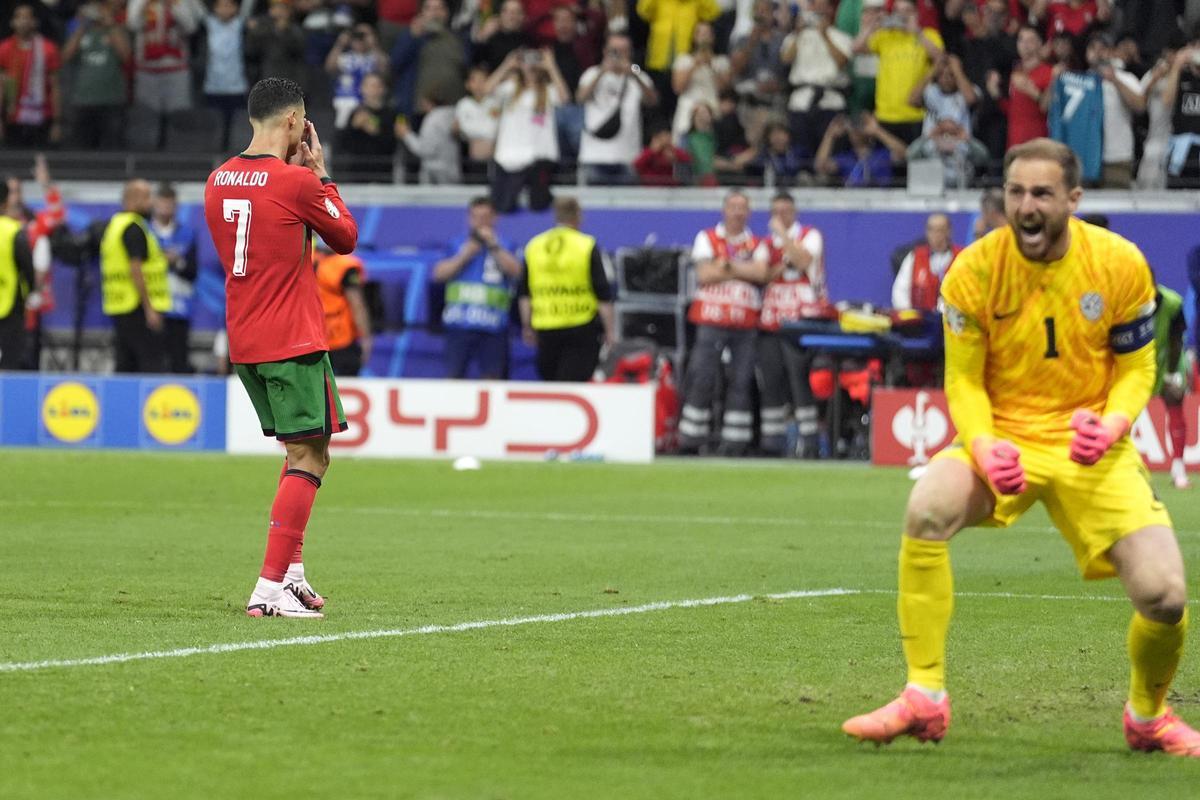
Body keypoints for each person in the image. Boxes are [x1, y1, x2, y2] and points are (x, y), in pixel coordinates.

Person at [843, 138, 1200, 759]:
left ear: (1073, 199)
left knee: (1165, 597)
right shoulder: (973, 270)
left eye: (1041, 193)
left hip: (1092, 444)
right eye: (1015, 193)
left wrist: (1115, 425)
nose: (1027, 207)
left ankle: (1147, 717)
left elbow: (1139, 367)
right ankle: (924, 695)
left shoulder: (1119, 263)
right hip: (1004, 432)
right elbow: (962, 379)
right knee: (928, 508)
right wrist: (982, 443)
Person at [203, 77, 359, 619]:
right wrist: (322, 174)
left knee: (302, 453)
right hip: (291, 337)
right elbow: (346, 237)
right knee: (309, 455)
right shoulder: (295, 182)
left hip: (246, 337)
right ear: (294, 121)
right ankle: (268, 589)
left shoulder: (218, 179)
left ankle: (291, 577)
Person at [678, 190, 768, 456]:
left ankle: (735, 442)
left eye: (743, 207)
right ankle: (691, 439)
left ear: (749, 212)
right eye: (733, 207)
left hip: (746, 321)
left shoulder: (757, 242)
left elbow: (761, 273)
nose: (738, 212)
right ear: (724, 210)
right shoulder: (706, 237)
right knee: (702, 376)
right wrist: (744, 269)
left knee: (741, 380)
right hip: (711, 318)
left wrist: (727, 266)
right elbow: (704, 274)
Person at [754, 191, 827, 457]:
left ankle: (809, 441)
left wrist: (784, 240)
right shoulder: (764, 243)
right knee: (771, 380)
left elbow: (803, 260)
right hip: (771, 318)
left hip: (800, 319)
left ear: (794, 212)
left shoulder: (810, 235)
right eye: (776, 212)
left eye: (785, 211)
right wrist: (780, 262)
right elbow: (762, 274)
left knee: (799, 377)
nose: (781, 217)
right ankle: (772, 441)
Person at [518, 196, 615, 382]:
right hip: (580, 325)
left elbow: (524, 292)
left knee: (551, 383)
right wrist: (610, 331)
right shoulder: (586, 245)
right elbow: (602, 293)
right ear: (578, 216)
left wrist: (526, 325)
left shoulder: (534, 245)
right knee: (574, 382)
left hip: (545, 325)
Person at [434, 196, 521, 379]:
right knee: (453, 377)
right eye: (476, 217)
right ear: (469, 218)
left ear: (495, 218)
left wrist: (494, 247)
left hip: (494, 326)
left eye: (485, 217)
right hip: (459, 323)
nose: (481, 222)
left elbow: (517, 272)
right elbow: (438, 274)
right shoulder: (457, 244)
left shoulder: (506, 244)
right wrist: (465, 255)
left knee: (492, 379)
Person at [486, 47, 569, 212]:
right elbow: (487, 90)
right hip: (508, 156)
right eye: (526, 60)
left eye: (535, 60)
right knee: (502, 206)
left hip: (538, 157)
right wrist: (507, 65)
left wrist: (551, 66)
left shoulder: (548, 91)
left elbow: (564, 98)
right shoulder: (510, 88)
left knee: (538, 205)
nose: (531, 65)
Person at [101, 179, 170, 374]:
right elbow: (136, 269)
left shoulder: (115, 225)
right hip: (137, 308)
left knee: (125, 365)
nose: (152, 203)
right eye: (147, 197)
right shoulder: (134, 228)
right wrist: (149, 309)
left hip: (120, 305)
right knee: (151, 364)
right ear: (133, 200)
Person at [852, 0, 944, 144]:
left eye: (907, 11)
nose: (902, 15)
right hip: (885, 115)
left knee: (915, 164)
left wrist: (917, 32)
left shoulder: (928, 35)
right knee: (888, 164)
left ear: (916, 14)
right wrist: (871, 26)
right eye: (898, 11)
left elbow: (941, 58)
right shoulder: (886, 36)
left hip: (915, 114)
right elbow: (856, 48)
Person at [577, 33, 659, 185]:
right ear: (605, 51)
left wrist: (633, 73)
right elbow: (581, 98)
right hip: (594, 155)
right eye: (614, 50)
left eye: (623, 50)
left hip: (628, 156)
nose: (618, 55)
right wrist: (602, 71)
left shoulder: (637, 72)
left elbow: (652, 101)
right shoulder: (592, 73)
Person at [62, 0, 130, 150]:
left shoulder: (117, 30)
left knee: (112, 149)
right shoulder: (80, 33)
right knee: (81, 150)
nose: (96, 12)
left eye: (100, 8)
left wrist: (110, 24)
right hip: (83, 99)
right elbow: (65, 56)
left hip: (111, 99)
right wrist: (80, 28)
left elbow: (125, 55)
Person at [148, 182, 198, 374]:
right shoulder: (146, 232)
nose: (166, 208)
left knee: (179, 361)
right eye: (162, 203)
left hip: (179, 309)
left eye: (170, 204)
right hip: (153, 307)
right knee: (153, 362)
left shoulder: (187, 234)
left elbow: (193, 272)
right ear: (155, 204)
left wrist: (177, 262)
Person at [0, 5, 63, 147]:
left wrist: (57, 122)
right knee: (14, 163)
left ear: (35, 22)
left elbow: (55, 86)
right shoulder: (4, 48)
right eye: (19, 17)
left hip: (42, 115)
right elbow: (1, 86)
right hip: (13, 116)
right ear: (12, 22)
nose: (23, 21)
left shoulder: (48, 48)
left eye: (27, 17)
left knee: (40, 161)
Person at [315, 238, 372, 376]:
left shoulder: (306, 260)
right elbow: (357, 305)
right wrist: (366, 338)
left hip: (313, 338)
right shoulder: (345, 267)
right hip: (341, 339)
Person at [1153, 284, 1191, 490]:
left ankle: (1178, 469)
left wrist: (1171, 375)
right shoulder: (1127, 298)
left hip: (1168, 359)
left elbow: (1176, 340)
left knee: (1175, 401)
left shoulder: (1172, 302)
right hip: (1136, 362)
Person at [892, 213, 960, 312]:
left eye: (940, 230)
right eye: (931, 229)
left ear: (949, 232)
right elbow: (900, 292)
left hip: (952, 321)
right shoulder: (914, 256)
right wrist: (910, 318)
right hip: (920, 322)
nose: (936, 234)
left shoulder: (961, 257)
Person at [0, 179, 35, 369]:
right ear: (6, 201)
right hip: (8, 305)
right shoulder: (13, 230)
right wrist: (31, 291)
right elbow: (27, 267)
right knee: (10, 359)